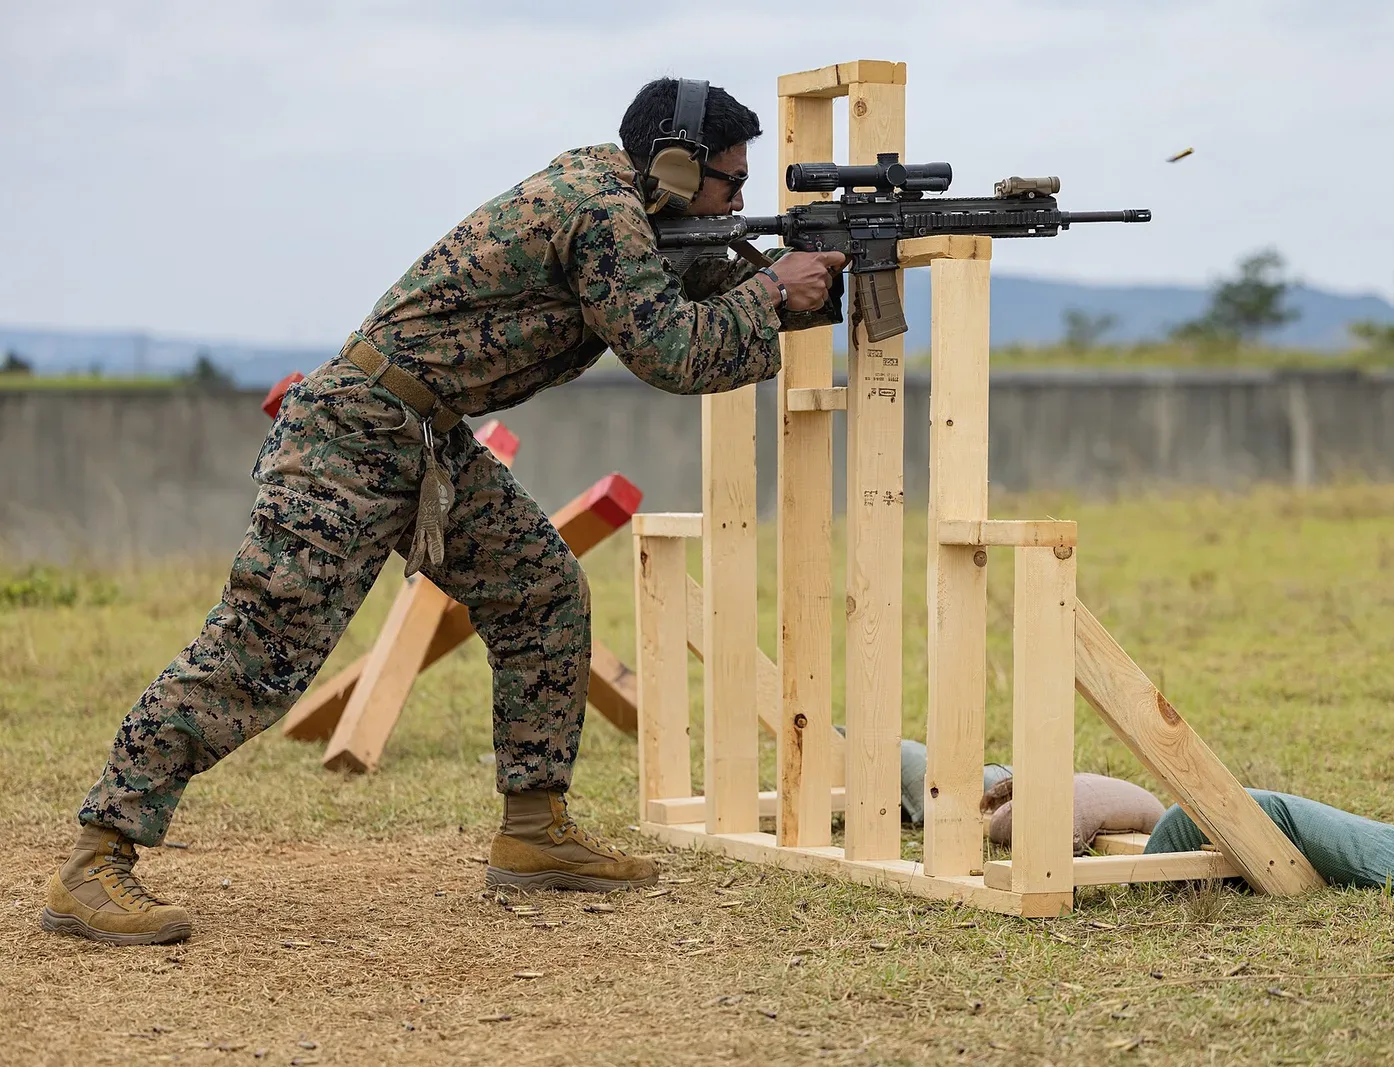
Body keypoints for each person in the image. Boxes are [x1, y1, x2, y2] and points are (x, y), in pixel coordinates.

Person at [41, 77, 846, 946]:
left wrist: (817, 275)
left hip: (419, 435)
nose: (739, 197)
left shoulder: (623, 206)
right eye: (730, 181)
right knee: (257, 649)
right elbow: (672, 349)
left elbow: (689, 296)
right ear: (678, 169)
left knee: (540, 590)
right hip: (355, 437)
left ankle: (534, 832)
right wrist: (771, 294)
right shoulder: (602, 213)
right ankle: (95, 860)